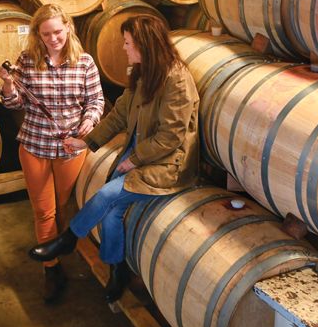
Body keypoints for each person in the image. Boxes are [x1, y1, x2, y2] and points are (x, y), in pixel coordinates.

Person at [28, 16, 199, 303]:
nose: (124, 48)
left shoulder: (176, 80)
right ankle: (117, 269)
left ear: (146, 45)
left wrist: (135, 160)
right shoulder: (143, 72)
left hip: (168, 162)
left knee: (107, 194)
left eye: (128, 43)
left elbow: (170, 138)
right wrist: (86, 140)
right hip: (140, 152)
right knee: (111, 212)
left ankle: (67, 240)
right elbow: (119, 114)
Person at [0, 3, 104, 303]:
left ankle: (62, 249)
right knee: (44, 211)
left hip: (70, 147)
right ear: (38, 35)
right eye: (46, 34)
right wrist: (8, 85)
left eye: (58, 31)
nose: (53, 38)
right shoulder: (28, 61)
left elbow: (96, 100)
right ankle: (52, 269)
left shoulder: (84, 62)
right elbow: (15, 104)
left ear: (68, 27)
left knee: (64, 206)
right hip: (34, 145)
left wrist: (85, 125)